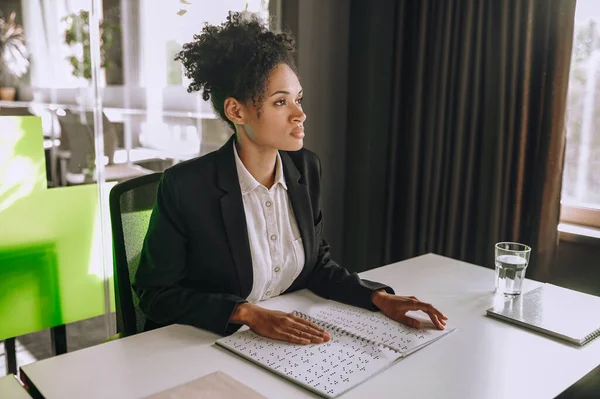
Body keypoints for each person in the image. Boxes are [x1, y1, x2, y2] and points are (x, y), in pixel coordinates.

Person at [134, 11, 447, 345]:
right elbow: (156, 294)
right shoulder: (186, 188)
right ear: (236, 111)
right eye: (280, 102)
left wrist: (378, 297)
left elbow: (316, 265)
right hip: (201, 346)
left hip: (283, 343)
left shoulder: (306, 169)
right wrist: (246, 313)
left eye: (297, 99)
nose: (300, 114)